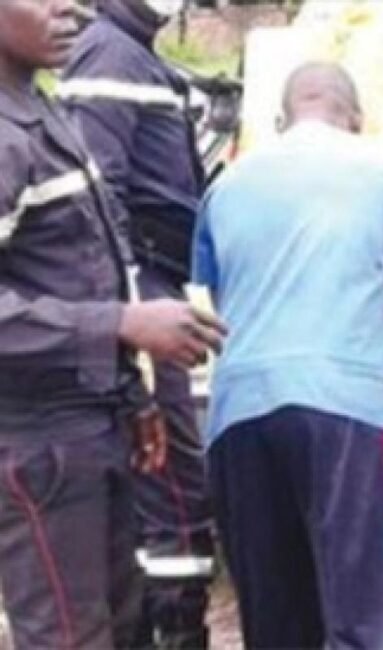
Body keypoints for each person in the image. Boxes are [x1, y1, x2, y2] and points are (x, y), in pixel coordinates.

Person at [194, 62, 383, 649]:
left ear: (280, 121)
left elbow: (221, 298)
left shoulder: (226, 185)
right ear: (356, 119)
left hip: (238, 416)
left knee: (278, 625)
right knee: (374, 622)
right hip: (349, 408)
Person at [0, 2, 224, 647]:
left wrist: (133, 392)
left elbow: (86, 264)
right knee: (70, 633)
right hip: (38, 439)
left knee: (121, 626)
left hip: (92, 421)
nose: (70, 7)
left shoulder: (41, 112)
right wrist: (119, 324)